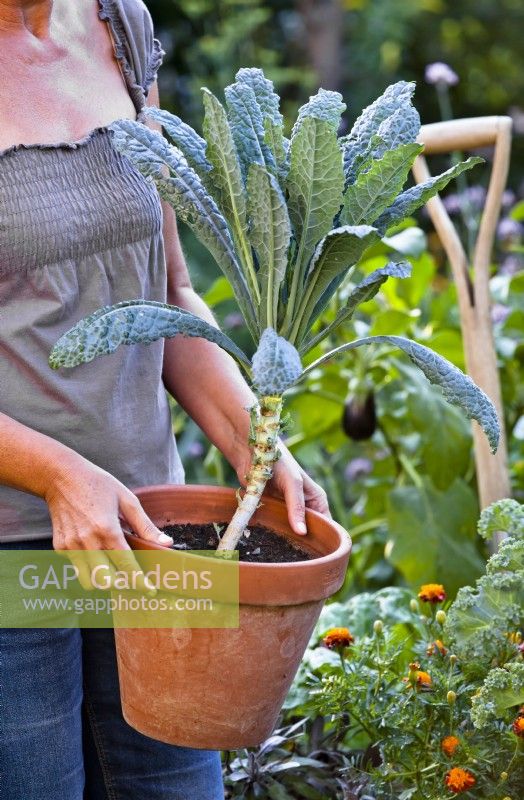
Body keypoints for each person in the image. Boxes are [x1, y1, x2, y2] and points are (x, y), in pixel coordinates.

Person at [0, 1, 331, 798]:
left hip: (158, 534)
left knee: (180, 785)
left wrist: (254, 437)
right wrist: (57, 475)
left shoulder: (119, 25)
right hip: (13, 557)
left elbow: (170, 291)